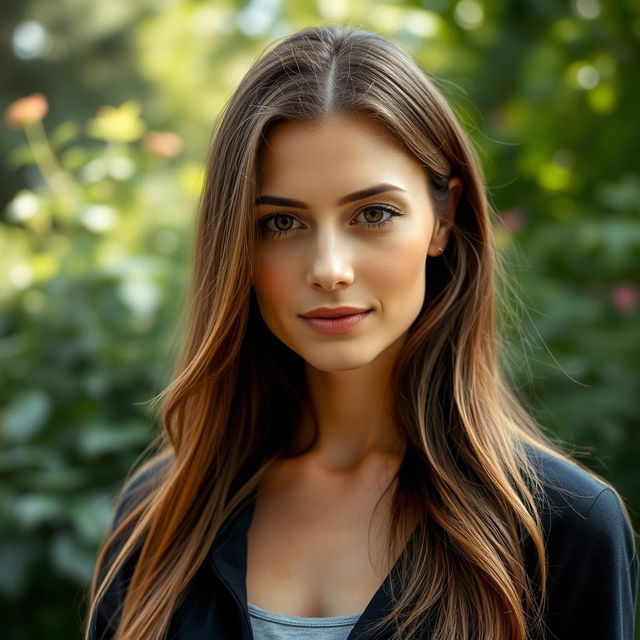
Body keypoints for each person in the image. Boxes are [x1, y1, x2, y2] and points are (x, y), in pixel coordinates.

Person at [84, 24, 638, 640]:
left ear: (443, 218)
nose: (329, 270)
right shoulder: (158, 516)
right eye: (281, 222)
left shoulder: (565, 529)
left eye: (373, 214)